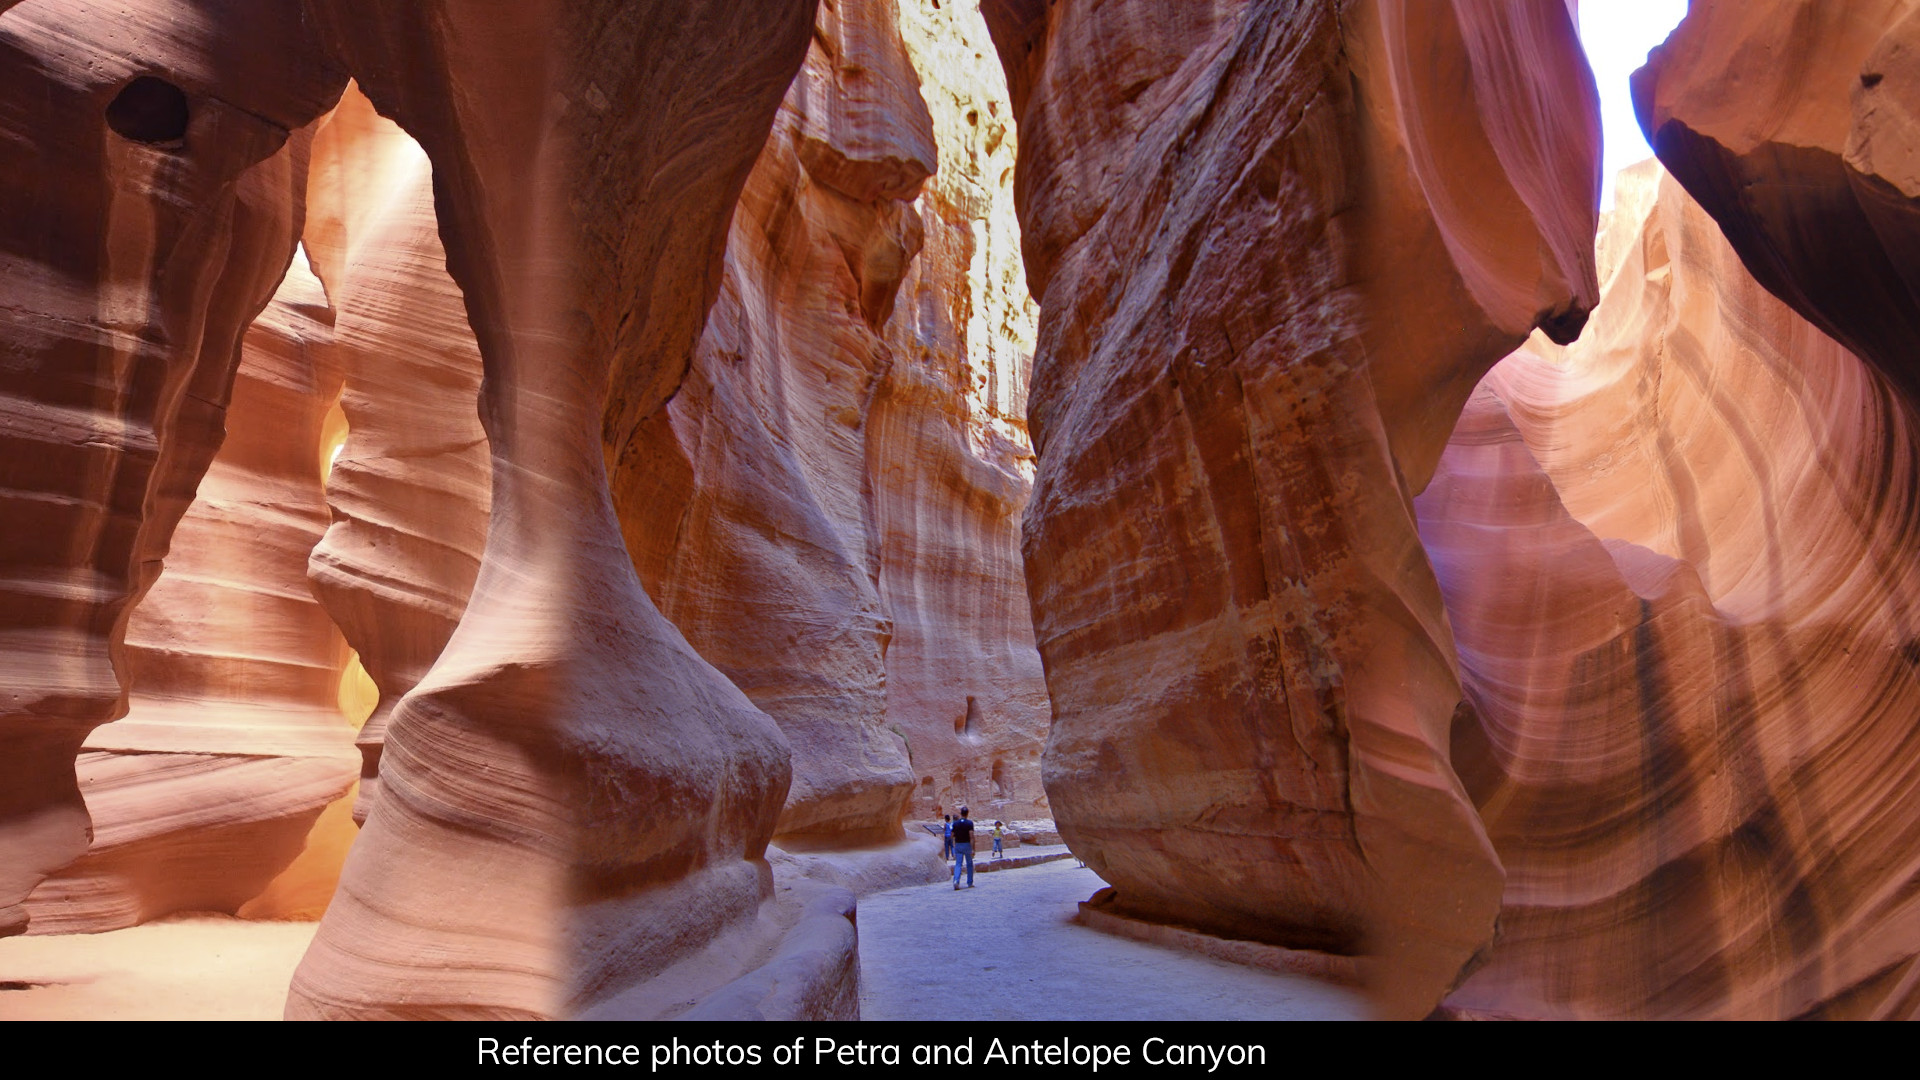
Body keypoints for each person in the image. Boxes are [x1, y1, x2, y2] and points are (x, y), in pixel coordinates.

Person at [951, 807, 976, 889]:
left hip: (958, 845)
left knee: (958, 864)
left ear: (961, 813)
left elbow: (952, 835)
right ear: (967, 814)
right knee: (969, 864)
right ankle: (969, 882)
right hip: (967, 845)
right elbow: (971, 836)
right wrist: (973, 849)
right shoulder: (969, 823)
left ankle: (956, 880)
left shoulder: (955, 823)